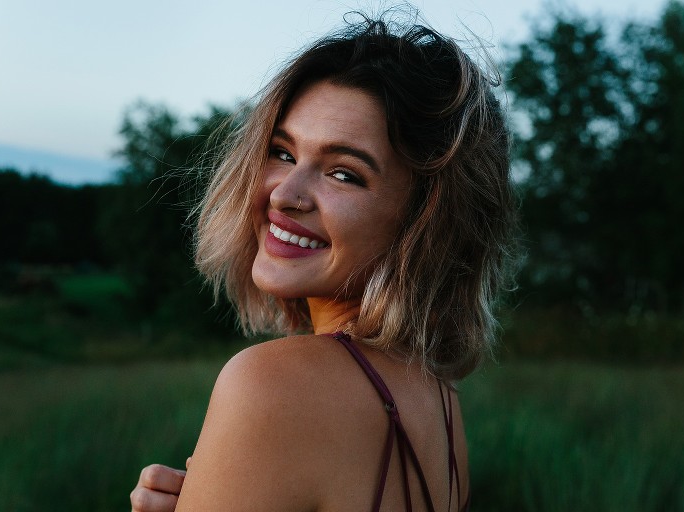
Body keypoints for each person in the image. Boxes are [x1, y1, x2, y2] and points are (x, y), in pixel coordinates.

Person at [131, 9, 516, 512]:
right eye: (283, 153)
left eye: (344, 174)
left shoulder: (272, 385)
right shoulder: (437, 398)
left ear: (426, 223)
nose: (285, 195)